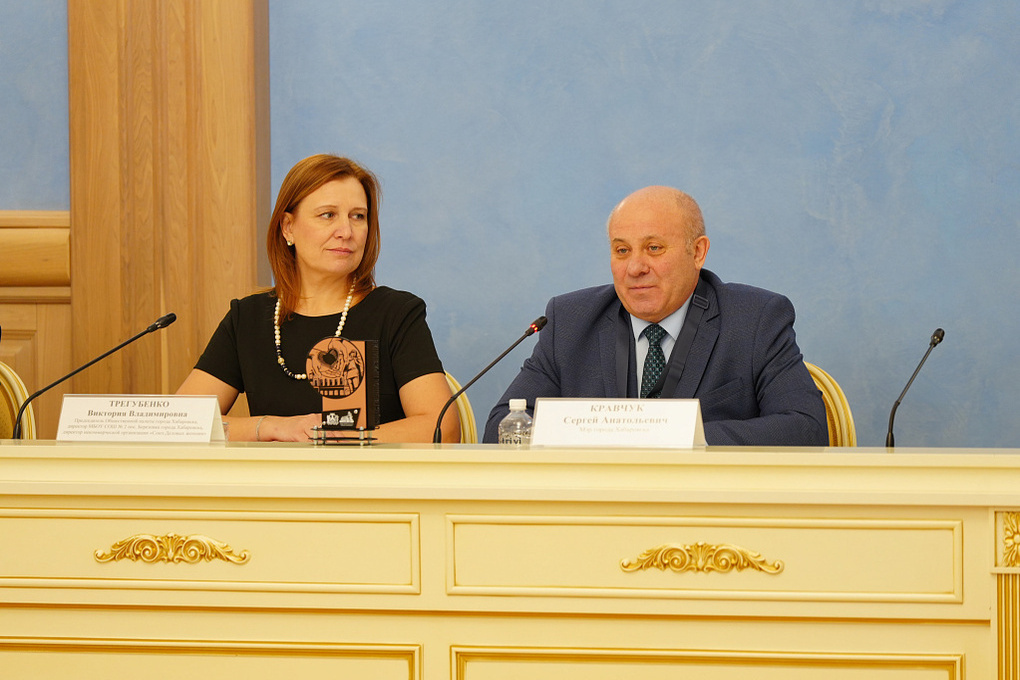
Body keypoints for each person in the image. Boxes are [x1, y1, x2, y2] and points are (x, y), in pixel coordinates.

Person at [483, 185, 827, 446]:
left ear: (698, 252)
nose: (635, 267)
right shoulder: (570, 321)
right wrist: (598, 436)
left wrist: (674, 436)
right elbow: (503, 425)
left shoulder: (754, 319)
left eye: (654, 248)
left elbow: (805, 427)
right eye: (622, 250)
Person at [178, 154, 459, 443]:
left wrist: (334, 439)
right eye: (328, 215)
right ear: (288, 227)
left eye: (358, 216)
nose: (346, 232)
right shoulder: (247, 319)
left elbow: (443, 429)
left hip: (369, 473)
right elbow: (181, 423)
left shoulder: (397, 313)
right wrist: (271, 427)